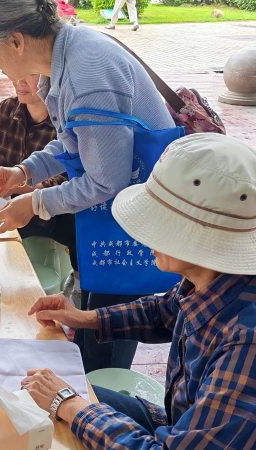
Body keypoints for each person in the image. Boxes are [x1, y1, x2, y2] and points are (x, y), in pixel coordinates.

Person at [0, 0, 176, 372]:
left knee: (103, 359)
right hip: (116, 217)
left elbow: (104, 180)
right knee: (90, 334)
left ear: (16, 41)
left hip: (134, 224)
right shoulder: (63, 59)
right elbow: (74, 142)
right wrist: (25, 171)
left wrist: (33, 204)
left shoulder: (87, 73)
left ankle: (101, 409)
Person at [22, 133, 256, 449]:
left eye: (157, 222)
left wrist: (70, 403)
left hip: (177, 439)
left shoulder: (247, 339)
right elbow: (163, 312)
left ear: (198, 238)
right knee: (29, 392)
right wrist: (82, 317)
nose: (143, 236)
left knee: (56, 409)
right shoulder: (214, 280)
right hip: (176, 423)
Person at [0, 75, 75, 263]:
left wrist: (22, 186)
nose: (19, 81)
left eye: (30, 74)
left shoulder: (66, 123)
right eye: (16, 74)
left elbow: (70, 179)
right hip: (3, 208)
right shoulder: (7, 109)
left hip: (51, 217)